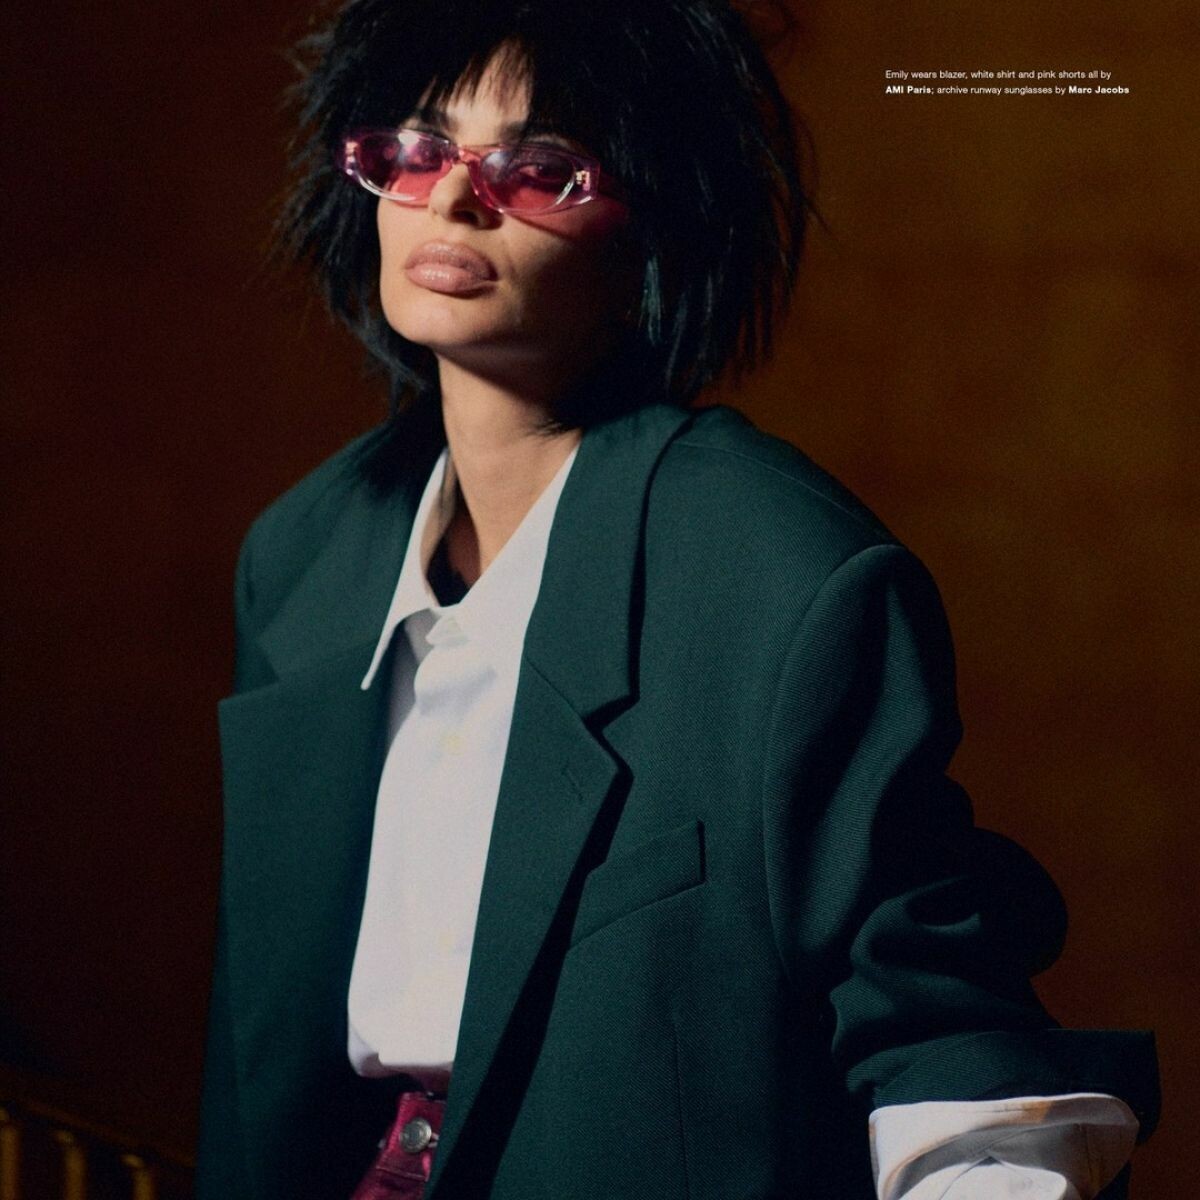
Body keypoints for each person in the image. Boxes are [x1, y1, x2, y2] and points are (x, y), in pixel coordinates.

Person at [195, 2, 1160, 1197]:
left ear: (656, 220)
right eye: (418, 146)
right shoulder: (305, 555)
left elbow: (940, 1036)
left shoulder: (784, 575)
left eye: (537, 168)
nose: (451, 200)